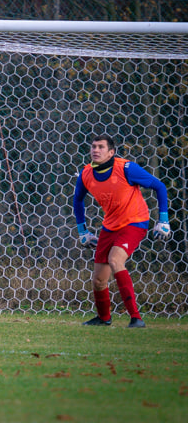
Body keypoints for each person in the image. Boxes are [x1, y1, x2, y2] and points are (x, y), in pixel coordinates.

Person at [73, 134, 170, 328]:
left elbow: (160, 186)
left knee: (116, 260)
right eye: (93, 146)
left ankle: (136, 318)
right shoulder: (86, 174)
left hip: (135, 222)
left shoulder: (126, 168)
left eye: (101, 147)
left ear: (111, 152)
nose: (96, 150)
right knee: (99, 279)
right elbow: (77, 200)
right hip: (110, 226)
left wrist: (164, 220)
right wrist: (82, 231)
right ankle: (103, 318)